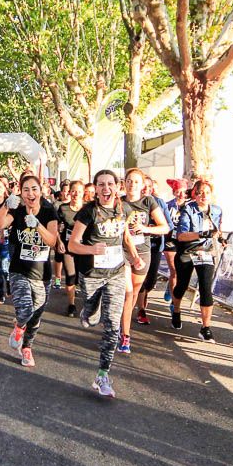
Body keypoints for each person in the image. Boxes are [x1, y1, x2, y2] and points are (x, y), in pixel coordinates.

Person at [67, 169, 144, 398]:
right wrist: (92, 249)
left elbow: (126, 237)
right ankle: (88, 312)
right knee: (92, 318)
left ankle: (103, 374)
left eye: (110, 184)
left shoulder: (123, 209)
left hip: (116, 272)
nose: (106, 188)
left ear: (117, 186)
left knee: (112, 324)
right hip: (92, 274)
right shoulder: (88, 212)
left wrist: (134, 256)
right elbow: (73, 244)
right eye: (101, 184)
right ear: (96, 188)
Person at [0, 175, 60, 368]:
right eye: (26, 190)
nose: (31, 194)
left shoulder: (49, 212)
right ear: (21, 192)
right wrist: (6, 206)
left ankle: (27, 348)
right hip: (19, 271)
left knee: (37, 315)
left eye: (34, 189)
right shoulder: (18, 211)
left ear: (41, 191)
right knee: (25, 310)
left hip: (42, 274)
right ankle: (19, 326)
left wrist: (37, 225)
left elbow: (52, 241)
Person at [119, 168, 170, 353]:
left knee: (133, 296)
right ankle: (126, 336)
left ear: (142, 185)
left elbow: (164, 228)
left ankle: (122, 322)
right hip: (123, 252)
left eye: (136, 181)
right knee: (128, 293)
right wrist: (133, 255)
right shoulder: (119, 203)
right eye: (129, 181)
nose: (132, 184)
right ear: (124, 183)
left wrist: (146, 229)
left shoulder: (149, 201)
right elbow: (124, 234)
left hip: (144, 251)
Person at [171, 179, 224, 343]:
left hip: (206, 252)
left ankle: (206, 328)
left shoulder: (217, 210)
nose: (203, 196)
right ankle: (177, 309)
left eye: (207, 192)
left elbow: (217, 229)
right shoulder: (187, 209)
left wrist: (221, 239)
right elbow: (181, 235)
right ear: (194, 194)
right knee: (182, 285)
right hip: (187, 250)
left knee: (206, 287)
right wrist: (202, 234)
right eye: (200, 192)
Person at [57, 180, 84, 318]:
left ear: (83, 193)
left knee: (84, 276)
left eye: (79, 191)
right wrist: (59, 241)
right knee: (70, 275)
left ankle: (88, 304)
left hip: (84, 247)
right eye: (73, 191)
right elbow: (56, 227)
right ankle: (72, 304)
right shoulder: (63, 208)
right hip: (68, 247)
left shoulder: (88, 208)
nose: (76, 194)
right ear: (69, 192)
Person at [162, 178, 188, 306]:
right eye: (178, 191)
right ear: (174, 192)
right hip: (170, 240)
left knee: (181, 271)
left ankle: (169, 286)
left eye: (184, 191)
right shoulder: (167, 205)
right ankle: (174, 303)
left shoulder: (190, 206)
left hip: (184, 240)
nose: (182, 195)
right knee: (174, 270)